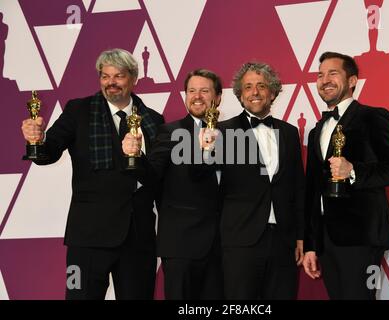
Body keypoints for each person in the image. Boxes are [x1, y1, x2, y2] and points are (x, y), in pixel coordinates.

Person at [21, 48, 164, 299]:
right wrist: (37, 141)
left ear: (133, 78)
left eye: (118, 76)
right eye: (105, 76)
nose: (111, 83)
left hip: (138, 238)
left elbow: (158, 178)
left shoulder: (153, 119)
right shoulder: (78, 111)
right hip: (87, 236)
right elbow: (50, 151)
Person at [302, 51, 389, 299]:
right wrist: (311, 245)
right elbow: (312, 191)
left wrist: (353, 172)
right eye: (320, 75)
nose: (324, 80)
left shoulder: (373, 117)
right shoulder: (316, 130)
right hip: (327, 240)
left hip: (362, 237)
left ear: (352, 81)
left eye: (333, 73)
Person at [124, 69, 224, 299]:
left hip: (222, 246)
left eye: (204, 91)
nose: (197, 96)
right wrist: (135, 156)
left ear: (218, 97)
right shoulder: (170, 132)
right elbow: (151, 177)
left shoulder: (230, 134)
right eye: (191, 91)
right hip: (182, 245)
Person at [212, 62, 305, 299]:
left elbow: (298, 188)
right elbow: (207, 181)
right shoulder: (222, 132)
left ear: (272, 92)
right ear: (240, 96)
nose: (255, 92)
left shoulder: (289, 132)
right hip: (240, 240)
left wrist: (301, 235)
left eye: (261, 86)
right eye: (248, 87)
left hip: (283, 240)